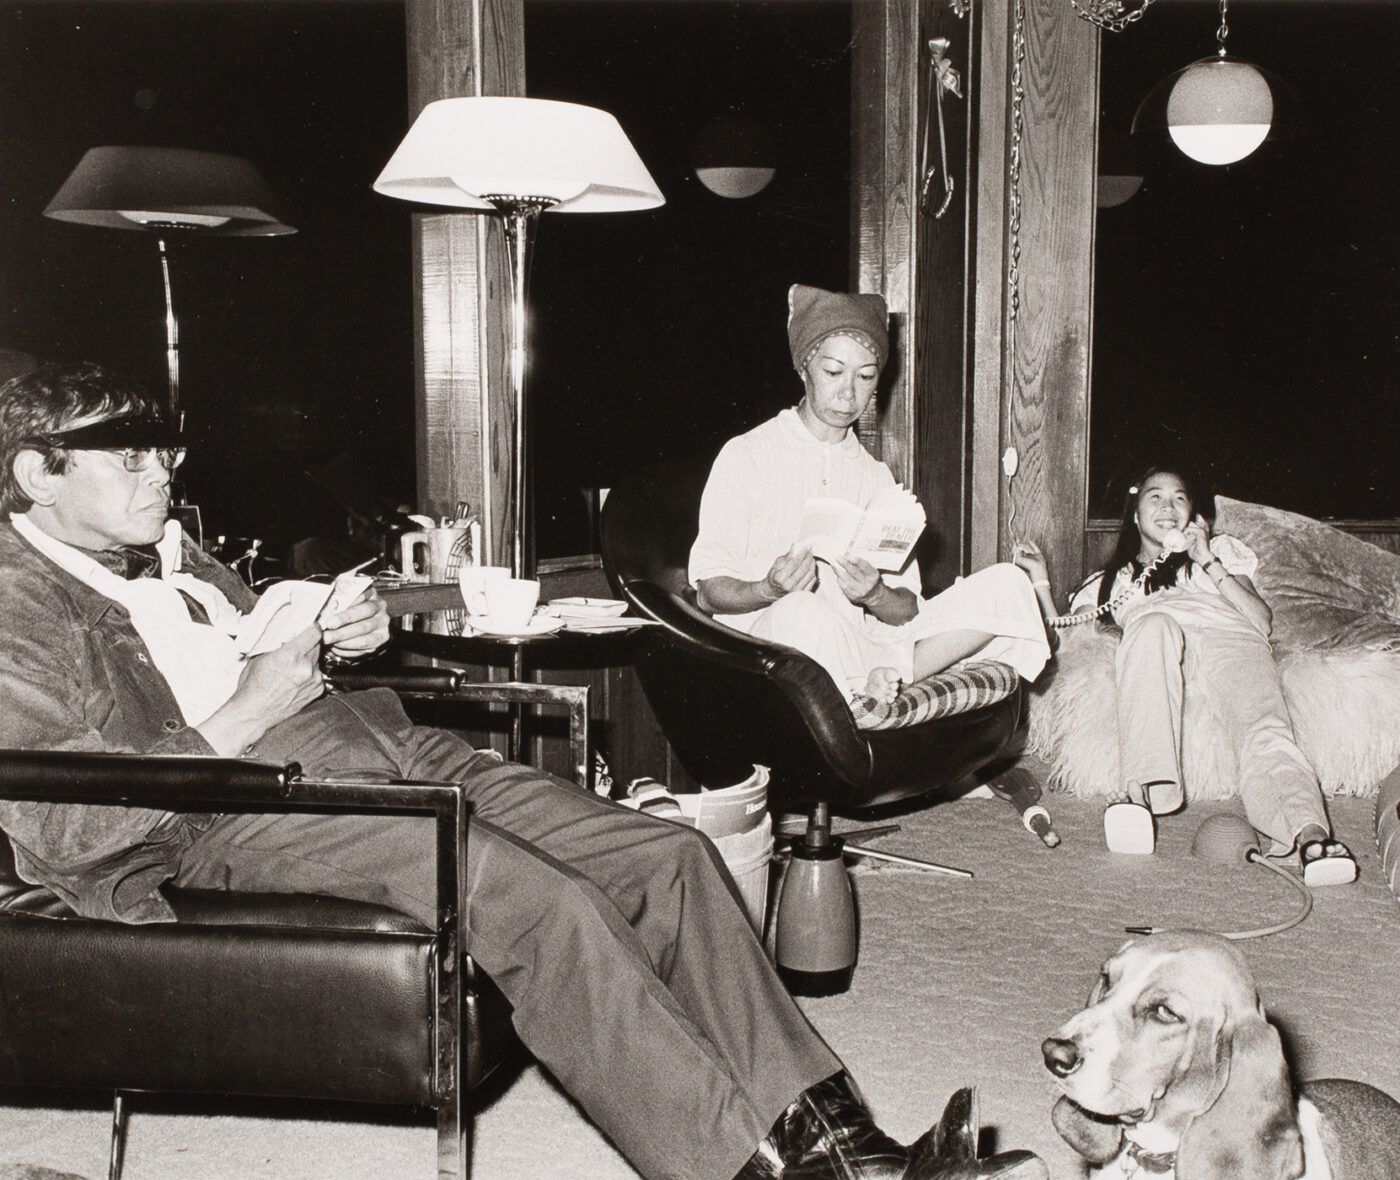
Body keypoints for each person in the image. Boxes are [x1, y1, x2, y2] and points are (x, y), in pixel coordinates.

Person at [0, 361, 1048, 1180]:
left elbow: (239, 640)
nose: (162, 476)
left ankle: (841, 1140)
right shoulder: (16, 606)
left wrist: (341, 633)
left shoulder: (166, 546)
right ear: (37, 474)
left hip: (370, 743)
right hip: (230, 812)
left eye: (162, 455)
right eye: (127, 461)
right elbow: (74, 822)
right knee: (544, 906)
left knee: (666, 853)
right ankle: (738, 1167)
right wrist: (254, 706)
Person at [689, 284, 1051, 709]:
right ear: (804, 367)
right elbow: (709, 592)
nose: (849, 393)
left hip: (866, 644)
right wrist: (768, 587)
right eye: (833, 372)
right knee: (801, 610)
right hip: (774, 646)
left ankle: (871, 683)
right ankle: (861, 696)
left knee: (1008, 584)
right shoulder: (747, 454)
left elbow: (908, 611)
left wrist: (874, 593)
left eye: (865, 377)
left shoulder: (875, 476)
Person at [1021, 466, 1356, 884]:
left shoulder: (1223, 553)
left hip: (1230, 640)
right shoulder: (1110, 583)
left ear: (1192, 514)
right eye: (1155, 497)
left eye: (1179, 498)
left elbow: (1261, 620)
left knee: (1264, 729)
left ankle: (1309, 836)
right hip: (1157, 644)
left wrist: (1207, 560)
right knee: (1152, 625)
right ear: (1136, 514)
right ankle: (1140, 795)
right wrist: (1040, 581)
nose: (1168, 507)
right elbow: (1062, 643)